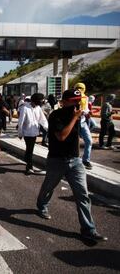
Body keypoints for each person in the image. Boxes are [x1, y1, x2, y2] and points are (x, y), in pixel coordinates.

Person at [36, 89, 107, 242]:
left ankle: (89, 229)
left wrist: (84, 118)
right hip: (57, 161)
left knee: (83, 195)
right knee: (48, 187)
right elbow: (61, 136)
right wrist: (74, 118)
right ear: (65, 101)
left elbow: (86, 133)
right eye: (74, 101)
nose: (77, 104)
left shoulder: (78, 116)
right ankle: (42, 205)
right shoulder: (56, 116)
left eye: (79, 101)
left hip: (75, 161)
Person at [18, 93, 48, 175]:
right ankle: (29, 167)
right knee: (30, 149)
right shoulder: (25, 108)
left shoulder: (38, 108)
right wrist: (20, 133)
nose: (41, 103)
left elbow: (43, 119)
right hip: (27, 133)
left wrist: (47, 128)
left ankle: (27, 160)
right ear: (35, 100)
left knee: (30, 149)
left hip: (35, 132)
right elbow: (21, 122)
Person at [74, 83, 93, 170]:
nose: (79, 89)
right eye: (77, 88)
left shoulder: (85, 98)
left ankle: (86, 160)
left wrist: (87, 113)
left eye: (81, 88)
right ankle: (75, 160)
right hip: (74, 123)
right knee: (74, 143)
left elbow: (86, 109)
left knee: (89, 141)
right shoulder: (73, 97)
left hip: (83, 122)